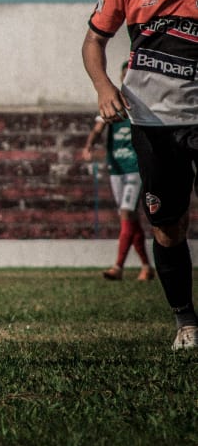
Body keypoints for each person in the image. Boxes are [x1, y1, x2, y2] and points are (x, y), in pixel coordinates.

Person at [82, 0, 198, 351]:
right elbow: (95, 40)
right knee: (167, 227)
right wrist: (103, 84)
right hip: (152, 124)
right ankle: (186, 324)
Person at [81, 62, 154, 282]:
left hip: (135, 168)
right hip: (116, 168)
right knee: (130, 218)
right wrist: (88, 146)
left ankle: (118, 266)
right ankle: (146, 267)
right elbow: (98, 127)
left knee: (125, 213)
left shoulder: (144, 104)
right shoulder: (113, 100)